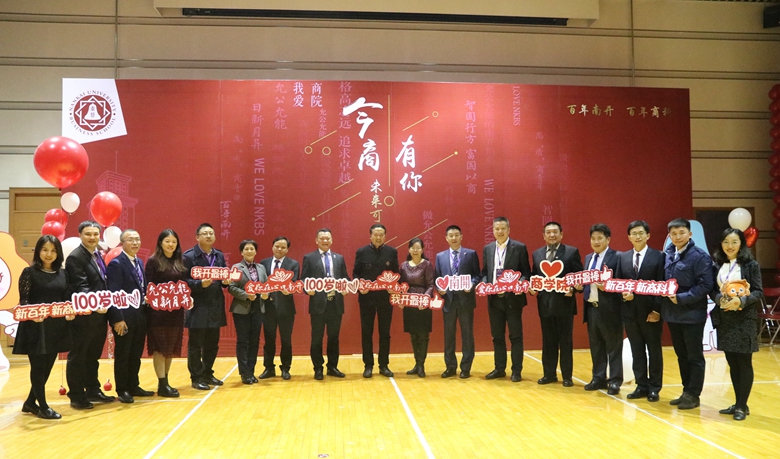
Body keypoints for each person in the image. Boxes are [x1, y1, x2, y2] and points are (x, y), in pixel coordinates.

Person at [14, 235, 73, 419]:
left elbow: (66, 299)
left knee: (47, 366)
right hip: (35, 328)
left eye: (53, 250)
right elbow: (24, 301)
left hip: (56, 327)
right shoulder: (29, 272)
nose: (49, 254)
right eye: (45, 250)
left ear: (58, 253)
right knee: (38, 367)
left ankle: (30, 402)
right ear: (38, 251)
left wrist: (70, 311)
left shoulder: (63, 274)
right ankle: (43, 406)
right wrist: (33, 315)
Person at [710, 228, 762, 421]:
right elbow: (712, 290)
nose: (729, 246)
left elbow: (758, 291)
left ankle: (741, 405)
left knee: (744, 362)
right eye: (725, 242)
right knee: (732, 362)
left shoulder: (751, 265)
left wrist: (741, 301)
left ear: (741, 243)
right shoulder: (717, 265)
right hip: (725, 318)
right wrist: (719, 300)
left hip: (744, 318)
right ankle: (739, 402)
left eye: (734, 242)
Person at [663, 218, 714, 410]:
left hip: (692, 314)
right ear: (669, 236)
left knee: (694, 356)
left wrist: (682, 298)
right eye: (674, 234)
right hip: (673, 314)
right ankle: (686, 391)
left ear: (690, 234)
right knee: (681, 355)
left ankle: (694, 394)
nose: (678, 237)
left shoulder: (700, 256)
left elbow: (705, 285)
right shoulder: (668, 254)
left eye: (681, 232)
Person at [65, 220, 115, 409]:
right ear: (80, 235)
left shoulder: (97, 254)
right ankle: (76, 395)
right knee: (78, 355)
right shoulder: (75, 257)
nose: (92, 237)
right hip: (84, 315)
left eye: (95, 234)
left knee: (92, 355)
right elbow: (81, 287)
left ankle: (93, 390)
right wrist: (95, 304)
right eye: (88, 234)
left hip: (99, 315)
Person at [615, 221, 665, 402]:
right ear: (629, 237)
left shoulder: (659, 256)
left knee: (654, 351)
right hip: (630, 313)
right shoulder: (623, 257)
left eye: (641, 233)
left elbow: (662, 284)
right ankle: (641, 385)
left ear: (647, 235)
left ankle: (654, 388)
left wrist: (656, 310)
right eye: (634, 233)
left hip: (651, 313)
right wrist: (623, 295)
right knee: (637, 351)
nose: (637, 236)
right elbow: (619, 282)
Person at [530, 221, 583, 387]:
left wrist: (573, 288)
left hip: (565, 304)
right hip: (545, 304)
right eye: (548, 232)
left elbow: (579, 277)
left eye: (555, 232)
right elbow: (534, 276)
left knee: (565, 342)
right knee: (548, 341)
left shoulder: (571, 252)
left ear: (561, 234)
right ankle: (549, 374)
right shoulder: (537, 254)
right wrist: (531, 288)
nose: (552, 235)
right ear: (543, 235)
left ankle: (567, 376)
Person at [481, 217, 531, 382]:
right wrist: (484, 283)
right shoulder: (488, 249)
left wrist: (520, 284)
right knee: (497, 336)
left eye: (503, 228)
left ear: (509, 230)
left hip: (513, 299)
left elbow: (526, 273)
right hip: (494, 299)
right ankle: (499, 368)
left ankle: (516, 371)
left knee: (515, 337)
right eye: (497, 229)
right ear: (493, 230)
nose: (500, 231)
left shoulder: (519, 247)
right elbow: (485, 272)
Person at [106, 229, 153, 403]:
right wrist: (117, 319)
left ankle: (134, 385)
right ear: (122, 243)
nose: (135, 243)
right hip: (124, 318)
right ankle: (122, 389)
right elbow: (113, 293)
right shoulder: (116, 263)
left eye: (137, 239)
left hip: (140, 315)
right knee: (123, 354)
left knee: (135, 353)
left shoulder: (139, 261)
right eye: (131, 240)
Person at [183, 223, 228, 390]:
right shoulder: (188, 257)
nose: (208, 236)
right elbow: (183, 281)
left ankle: (208, 373)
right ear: (197, 237)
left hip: (215, 305)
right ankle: (196, 377)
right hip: (198, 306)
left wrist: (226, 282)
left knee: (212, 343)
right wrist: (199, 284)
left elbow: (223, 278)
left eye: (211, 233)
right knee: (196, 344)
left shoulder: (219, 255)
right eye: (205, 233)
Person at [579, 224, 623, 395]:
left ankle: (615, 381)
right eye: (593, 238)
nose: (596, 241)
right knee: (596, 346)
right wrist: (579, 286)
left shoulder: (617, 257)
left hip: (611, 309)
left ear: (608, 239)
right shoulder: (588, 258)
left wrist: (608, 286)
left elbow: (622, 282)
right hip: (591, 308)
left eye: (600, 238)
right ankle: (598, 378)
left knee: (613, 347)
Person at [145, 229, 188, 398]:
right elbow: (148, 285)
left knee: (170, 348)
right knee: (159, 348)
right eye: (167, 241)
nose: (171, 245)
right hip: (158, 312)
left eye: (174, 242)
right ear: (160, 243)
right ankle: (162, 383)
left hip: (176, 312)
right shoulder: (153, 261)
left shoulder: (180, 261)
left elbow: (184, 285)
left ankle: (166, 382)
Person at [302, 228, 349, 380]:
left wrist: (347, 287)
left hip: (336, 304)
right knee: (317, 338)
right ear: (316, 240)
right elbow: (304, 280)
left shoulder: (339, 258)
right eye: (322, 238)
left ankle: (332, 367)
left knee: (334, 338)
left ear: (332, 240)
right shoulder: (309, 258)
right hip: (318, 305)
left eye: (328, 238)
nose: (325, 241)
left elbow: (346, 278)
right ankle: (318, 368)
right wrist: (307, 289)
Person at [353, 223, 400, 378]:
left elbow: (396, 274)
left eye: (381, 235)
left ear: (385, 236)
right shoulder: (361, 252)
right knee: (367, 332)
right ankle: (368, 365)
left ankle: (384, 365)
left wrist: (394, 286)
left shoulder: (392, 252)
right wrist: (360, 287)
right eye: (375, 234)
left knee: (385, 332)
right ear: (370, 236)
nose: (378, 237)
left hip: (385, 299)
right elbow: (356, 275)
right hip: (366, 299)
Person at [435, 225, 480, 379]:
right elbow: (437, 277)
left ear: (461, 236)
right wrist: (439, 288)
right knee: (449, 335)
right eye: (451, 235)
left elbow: (477, 275)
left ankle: (466, 367)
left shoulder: (471, 254)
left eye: (456, 235)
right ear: (446, 238)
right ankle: (450, 366)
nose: (453, 238)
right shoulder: (440, 256)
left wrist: (471, 284)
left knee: (467, 335)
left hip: (465, 300)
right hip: (448, 301)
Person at [227, 240, 269, 384]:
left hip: (258, 307)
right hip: (241, 308)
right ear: (242, 252)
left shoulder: (261, 268)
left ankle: (251, 371)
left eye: (252, 249)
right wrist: (246, 295)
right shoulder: (236, 267)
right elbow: (231, 287)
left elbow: (266, 286)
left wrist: (266, 293)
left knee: (254, 341)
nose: (249, 251)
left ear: (256, 251)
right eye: (246, 249)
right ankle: (244, 373)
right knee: (243, 341)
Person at [258, 237, 299, 381]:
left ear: (287, 250)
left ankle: (285, 368)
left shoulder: (293, 264)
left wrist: (289, 290)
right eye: (277, 246)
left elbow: (294, 283)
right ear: (272, 247)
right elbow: (261, 283)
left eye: (283, 247)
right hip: (268, 308)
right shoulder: (263, 263)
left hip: (286, 309)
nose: (279, 249)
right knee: (269, 340)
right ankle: (268, 368)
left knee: (286, 340)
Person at [398, 238, 435, 378]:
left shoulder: (427, 264)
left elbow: (430, 285)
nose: (415, 250)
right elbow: (400, 285)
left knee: (423, 335)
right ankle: (416, 363)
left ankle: (421, 365)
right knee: (413, 335)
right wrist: (401, 299)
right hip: (409, 303)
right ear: (409, 249)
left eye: (418, 248)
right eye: (413, 248)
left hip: (423, 303)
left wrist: (425, 299)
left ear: (422, 250)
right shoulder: (403, 266)